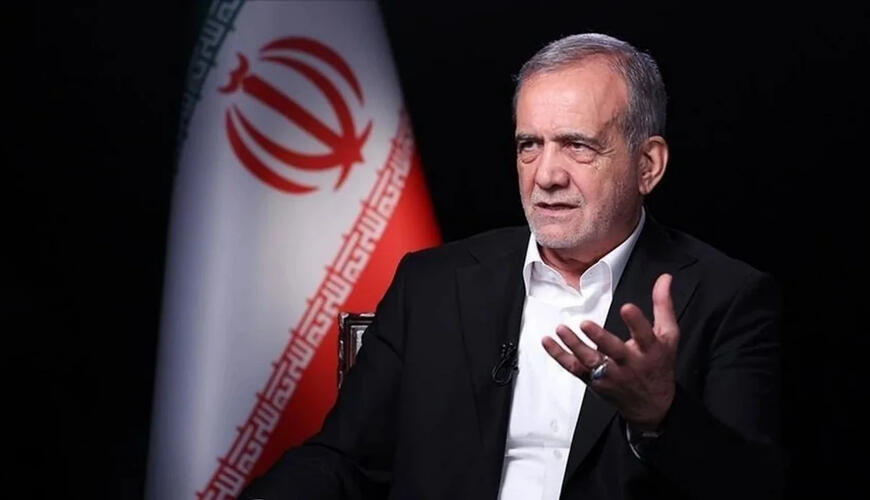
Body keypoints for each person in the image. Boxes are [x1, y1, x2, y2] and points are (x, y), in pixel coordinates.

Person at [240, 33, 784, 500]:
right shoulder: (431, 285)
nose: (546, 174)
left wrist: (661, 416)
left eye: (577, 146)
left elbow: (753, 488)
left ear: (648, 165)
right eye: (530, 145)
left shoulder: (727, 298)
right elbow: (343, 461)